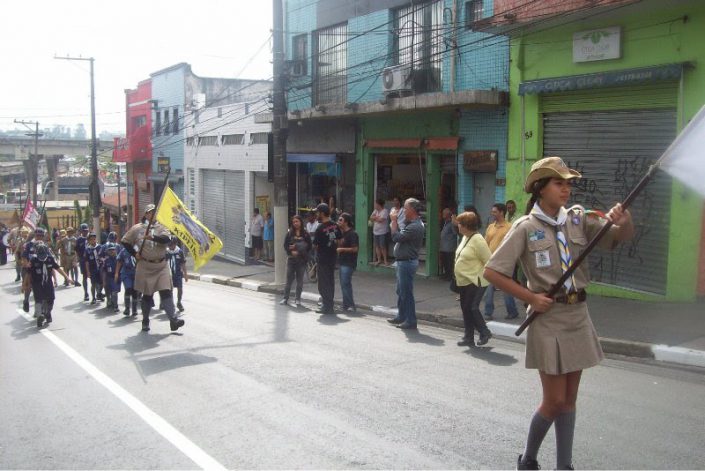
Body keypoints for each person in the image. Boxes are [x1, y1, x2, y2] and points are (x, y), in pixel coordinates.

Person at [483, 156, 634, 471]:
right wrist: (531, 297)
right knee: (553, 402)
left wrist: (623, 220)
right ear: (540, 189)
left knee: (569, 402)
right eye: (558, 183)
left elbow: (618, 237)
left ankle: (564, 466)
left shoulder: (577, 219)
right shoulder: (525, 227)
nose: (566, 189)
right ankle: (528, 459)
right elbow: (493, 272)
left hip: (578, 315)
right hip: (548, 319)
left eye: (568, 183)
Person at [121, 204, 184, 333]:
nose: (152, 214)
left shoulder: (162, 227)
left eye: (154, 212)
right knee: (147, 295)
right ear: (145, 214)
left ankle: (173, 320)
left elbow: (166, 239)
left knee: (166, 291)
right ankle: (145, 320)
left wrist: (153, 237)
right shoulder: (137, 229)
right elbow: (125, 241)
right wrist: (134, 253)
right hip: (145, 265)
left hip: (161, 265)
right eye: (150, 212)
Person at [454, 211, 492, 347]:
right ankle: (468, 337)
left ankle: (484, 332)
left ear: (466, 225)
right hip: (463, 281)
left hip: (476, 280)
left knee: (472, 308)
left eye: (460, 224)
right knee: (465, 308)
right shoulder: (465, 237)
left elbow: (489, 261)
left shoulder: (478, 240)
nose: (458, 226)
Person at [386, 198, 425, 330]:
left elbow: (396, 237)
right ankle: (401, 316)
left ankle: (411, 320)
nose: (403, 210)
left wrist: (394, 221)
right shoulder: (412, 223)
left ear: (413, 210)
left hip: (407, 263)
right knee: (401, 290)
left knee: (406, 292)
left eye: (406, 208)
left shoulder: (415, 226)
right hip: (403, 262)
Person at [483, 203, 519, 320]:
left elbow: (514, 244)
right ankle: (488, 312)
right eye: (492, 211)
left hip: (504, 262)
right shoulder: (490, 227)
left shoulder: (510, 227)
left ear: (502, 212)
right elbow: (485, 243)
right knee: (489, 288)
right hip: (490, 262)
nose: (492, 214)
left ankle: (512, 311)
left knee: (506, 288)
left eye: (494, 212)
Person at [28, 242, 69, 328]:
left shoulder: (50, 259)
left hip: (48, 283)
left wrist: (67, 278)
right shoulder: (33, 260)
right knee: (38, 300)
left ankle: (47, 313)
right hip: (37, 283)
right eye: (40, 254)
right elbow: (28, 274)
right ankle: (40, 316)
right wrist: (25, 285)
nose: (42, 256)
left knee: (51, 300)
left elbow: (57, 269)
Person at [312, 203, 341, 315]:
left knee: (323, 284)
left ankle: (327, 306)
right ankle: (329, 305)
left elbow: (315, 245)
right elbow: (339, 241)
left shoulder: (320, 228)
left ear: (322, 213)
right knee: (330, 282)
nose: (316, 215)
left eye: (318, 212)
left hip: (323, 259)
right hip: (332, 258)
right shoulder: (335, 225)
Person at [280, 215, 311, 307]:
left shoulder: (305, 234)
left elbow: (309, 246)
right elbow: (285, 246)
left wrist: (299, 249)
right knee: (289, 280)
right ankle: (285, 298)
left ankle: (297, 299)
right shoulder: (289, 233)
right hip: (291, 260)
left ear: (301, 222)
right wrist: (291, 251)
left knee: (299, 280)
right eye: (294, 222)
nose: (295, 223)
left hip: (301, 260)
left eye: (297, 221)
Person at [336, 212, 359, 312]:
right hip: (342, 262)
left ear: (346, 222)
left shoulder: (352, 234)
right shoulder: (342, 233)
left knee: (346, 283)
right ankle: (346, 305)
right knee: (343, 284)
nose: (338, 221)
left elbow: (355, 249)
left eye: (341, 220)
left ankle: (350, 305)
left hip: (349, 263)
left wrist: (342, 249)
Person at [115, 242, 139, 316]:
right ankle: (127, 308)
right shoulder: (124, 250)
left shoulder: (138, 250)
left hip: (136, 273)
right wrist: (116, 273)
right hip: (126, 273)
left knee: (135, 291)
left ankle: (134, 309)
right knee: (128, 288)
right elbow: (119, 261)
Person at [166, 237, 188, 312]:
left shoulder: (179, 252)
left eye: (172, 245)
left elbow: (183, 263)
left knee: (180, 288)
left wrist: (185, 275)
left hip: (178, 273)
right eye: (169, 245)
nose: (170, 247)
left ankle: (179, 302)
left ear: (175, 244)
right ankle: (171, 304)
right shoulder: (167, 252)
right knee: (170, 290)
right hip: (169, 274)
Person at [439, 207, 458, 280]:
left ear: (448, 215)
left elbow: (455, 233)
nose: (442, 215)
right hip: (444, 247)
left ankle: (449, 276)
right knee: (445, 262)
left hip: (449, 247)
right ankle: (446, 274)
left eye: (444, 213)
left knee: (449, 262)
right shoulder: (445, 223)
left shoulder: (451, 224)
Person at [369, 198, 389, 266]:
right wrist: (376, 218)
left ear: (379, 204)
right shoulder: (375, 211)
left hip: (382, 232)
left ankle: (385, 260)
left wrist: (375, 218)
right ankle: (379, 260)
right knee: (377, 246)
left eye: (376, 204)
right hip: (375, 231)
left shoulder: (385, 211)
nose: (375, 205)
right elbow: (371, 218)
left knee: (382, 246)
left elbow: (381, 220)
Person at [84, 233, 101, 304]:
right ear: (89, 241)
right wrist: (88, 272)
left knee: (100, 283)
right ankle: (93, 297)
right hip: (92, 269)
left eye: (94, 239)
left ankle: (99, 294)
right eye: (91, 240)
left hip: (100, 268)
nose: (93, 241)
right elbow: (87, 262)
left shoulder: (100, 247)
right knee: (93, 283)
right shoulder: (88, 249)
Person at [103, 243, 120, 313]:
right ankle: (109, 301)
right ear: (108, 252)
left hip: (116, 278)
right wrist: (104, 281)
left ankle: (115, 306)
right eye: (110, 250)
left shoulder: (119, 259)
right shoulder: (106, 260)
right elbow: (104, 271)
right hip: (108, 278)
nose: (112, 251)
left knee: (114, 292)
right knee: (108, 291)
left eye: (113, 250)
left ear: (115, 250)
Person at [75, 223, 90, 301]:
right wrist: (78, 259)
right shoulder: (79, 240)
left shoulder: (91, 237)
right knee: (84, 277)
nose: (85, 232)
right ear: (81, 231)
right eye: (84, 231)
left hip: (92, 261)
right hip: (83, 261)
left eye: (86, 230)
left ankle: (97, 293)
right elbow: (76, 250)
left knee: (96, 277)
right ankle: (86, 293)